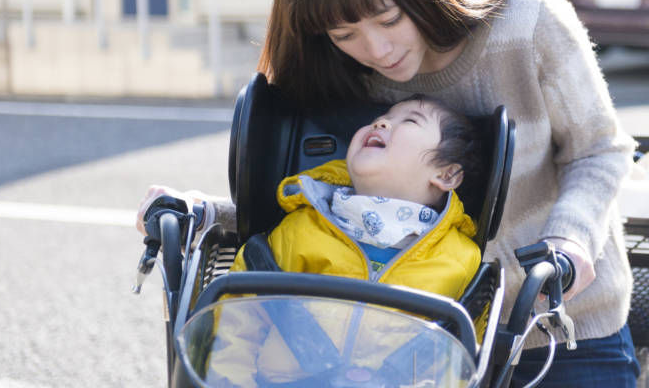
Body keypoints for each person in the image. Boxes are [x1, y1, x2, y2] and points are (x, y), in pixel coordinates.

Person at [138, 0, 640, 386]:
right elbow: (330, 206)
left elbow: (600, 150)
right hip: (416, 353)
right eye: (345, 33)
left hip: (563, 325)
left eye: (389, 18)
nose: (376, 50)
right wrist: (203, 213)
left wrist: (570, 243)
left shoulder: (530, 23)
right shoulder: (344, 76)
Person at [206, 95, 483, 388]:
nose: (381, 121)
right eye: (382, 117)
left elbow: (465, 358)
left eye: (410, 120)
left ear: (447, 174)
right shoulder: (302, 228)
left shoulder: (460, 259)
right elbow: (241, 318)